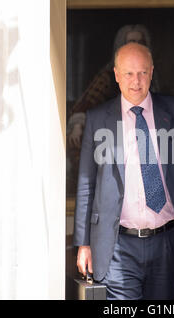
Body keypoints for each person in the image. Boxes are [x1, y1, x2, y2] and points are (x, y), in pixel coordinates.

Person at [73, 42, 174, 300]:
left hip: (166, 241)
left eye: (142, 73)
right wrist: (83, 243)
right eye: (128, 73)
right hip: (117, 244)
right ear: (116, 75)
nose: (136, 81)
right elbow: (87, 184)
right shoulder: (97, 119)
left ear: (152, 72)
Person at [67, 24, 159, 196]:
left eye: (141, 41)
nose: (136, 45)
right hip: (114, 143)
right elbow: (86, 105)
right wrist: (78, 124)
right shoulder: (108, 76)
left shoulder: (151, 76)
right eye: (131, 41)